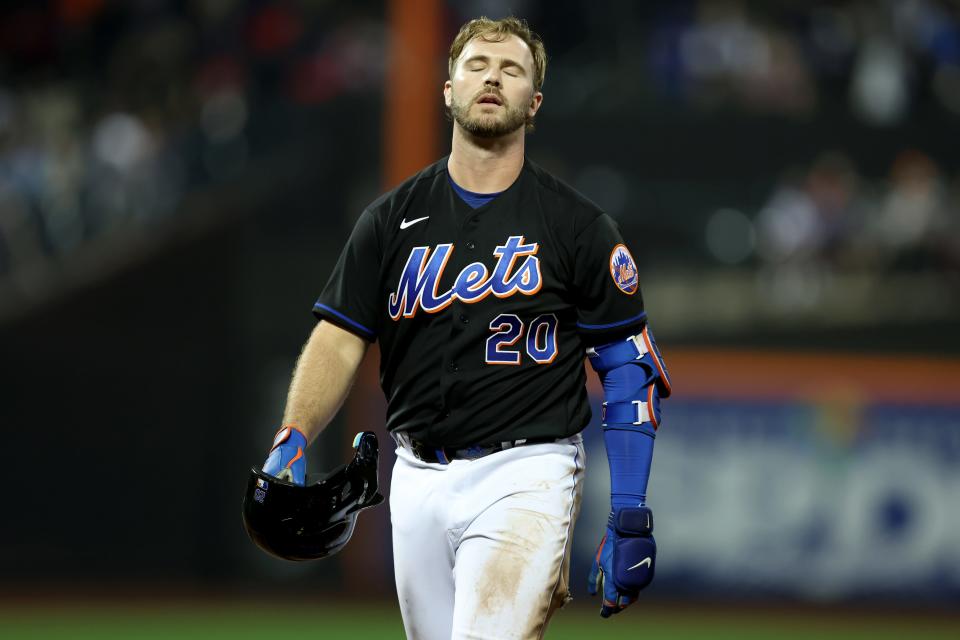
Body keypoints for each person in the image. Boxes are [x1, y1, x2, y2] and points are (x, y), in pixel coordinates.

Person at [260, 16, 671, 640]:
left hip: (527, 471)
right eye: (477, 65)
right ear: (447, 90)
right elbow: (339, 336)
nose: (491, 78)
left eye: (511, 70)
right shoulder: (389, 219)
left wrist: (630, 511)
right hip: (416, 476)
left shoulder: (578, 227)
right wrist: (293, 433)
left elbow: (627, 368)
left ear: (533, 103)